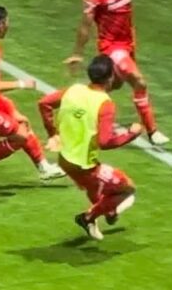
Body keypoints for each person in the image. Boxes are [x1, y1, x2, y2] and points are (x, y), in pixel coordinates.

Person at [65, 0, 172, 147]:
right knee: (139, 82)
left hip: (128, 43)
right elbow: (85, 25)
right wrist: (77, 53)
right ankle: (152, 131)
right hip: (111, 46)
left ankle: (81, 108)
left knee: (113, 85)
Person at [0, 7, 65, 189]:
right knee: (20, 136)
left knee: (23, 121)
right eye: (7, 23)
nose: (8, 26)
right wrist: (22, 84)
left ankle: (44, 168)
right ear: (1, 25)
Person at [39, 55, 143, 241]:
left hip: (65, 161)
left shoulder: (74, 90)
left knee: (93, 189)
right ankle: (88, 218)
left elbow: (44, 103)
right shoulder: (105, 104)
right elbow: (105, 141)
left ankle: (108, 212)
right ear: (111, 77)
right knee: (127, 188)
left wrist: (52, 133)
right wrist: (131, 134)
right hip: (85, 166)